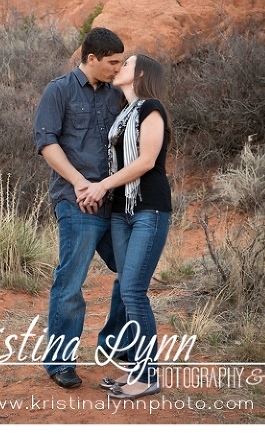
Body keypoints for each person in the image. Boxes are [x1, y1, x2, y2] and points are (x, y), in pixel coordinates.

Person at [33, 26, 128, 389]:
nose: (118, 69)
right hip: (76, 202)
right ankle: (60, 363)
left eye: (121, 63)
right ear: (91, 58)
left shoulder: (116, 94)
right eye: (112, 62)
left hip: (113, 202)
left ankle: (115, 343)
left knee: (132, 271)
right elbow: (46, 143)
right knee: (71, 282)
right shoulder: (58, 90)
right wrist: (79, 183)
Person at [79, 53, 172, 399]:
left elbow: (146, 161)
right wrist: (98, 193)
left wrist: (102, 186)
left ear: (142, 73)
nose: (120, 68)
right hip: (121, 211)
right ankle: (136, 369)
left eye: (127, 64)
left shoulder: (151, 109)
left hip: (149, 208)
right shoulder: (123, 115)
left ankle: (147, 377)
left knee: (133, 291)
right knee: (126, 288)